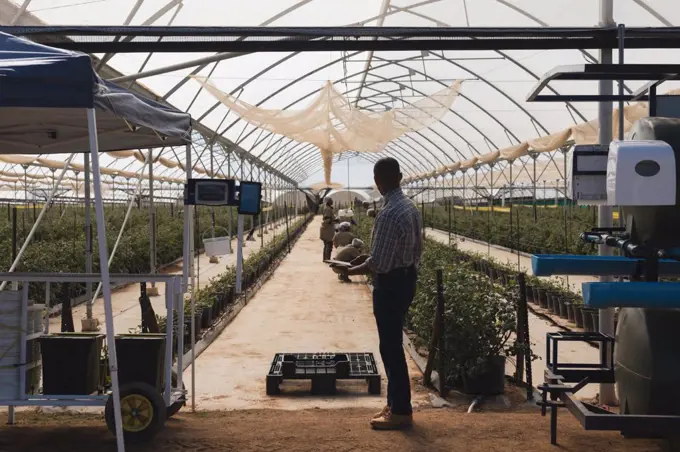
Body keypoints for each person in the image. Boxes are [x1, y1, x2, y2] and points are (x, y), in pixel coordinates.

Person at [337, 157, 422, 430]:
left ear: (378, 181)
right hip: (407, 280)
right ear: (399, 176)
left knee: (391, 348)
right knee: (394, 345)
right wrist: (370, 258)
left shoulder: (388, 214)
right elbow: (413, 250)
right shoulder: (409, 208)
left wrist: (352, 270)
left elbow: (380, 264)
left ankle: (399, 411)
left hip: (390, 286)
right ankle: (396, 403)